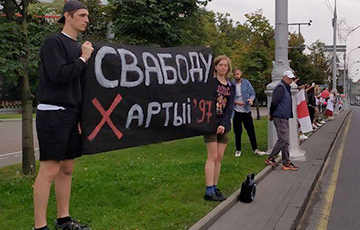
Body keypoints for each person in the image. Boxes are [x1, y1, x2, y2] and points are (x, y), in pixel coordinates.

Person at [33, 1, 94, 230]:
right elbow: (59, 75)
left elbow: (80, 86)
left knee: (67, 167)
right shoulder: (53, 42)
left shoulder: (79, 47)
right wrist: (83, 58)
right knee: (49, 169)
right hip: (53, 113)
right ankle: (40, 226)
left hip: (71, 114)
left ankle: (63, 219)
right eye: (82, 15)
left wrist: (79, 118)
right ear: (67, 16)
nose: (86, 19)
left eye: (87, 15)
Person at [203, 55, 235, 202]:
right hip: (210, 123)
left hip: (224, 124)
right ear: (215, 67)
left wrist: (223, 124)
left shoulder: (230, 85)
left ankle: (215, 186)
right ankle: (209, 190)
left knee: (220, 157)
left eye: (226, 65)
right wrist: (215, 123)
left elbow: (229, 107)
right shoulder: (211, 84)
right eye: (221, 65)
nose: (223, 67)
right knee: (212, 156)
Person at [265, 70, 299, 171]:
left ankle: (286, 162)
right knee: (283, 139)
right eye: (289, 78)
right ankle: (271, 157)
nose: (291, 80)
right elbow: (274, 102)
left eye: (292, 79)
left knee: (286, 140)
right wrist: (271, 114)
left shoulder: (285, 87)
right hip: (279, 115)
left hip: (284, 116)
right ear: (284, 77)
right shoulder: (280, 87)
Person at [231, 68, 266, 157]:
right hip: (236, 111)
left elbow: (252, 93)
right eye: (235, 74)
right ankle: (238, 149)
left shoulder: (246, 83)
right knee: (237, 131)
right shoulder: (232, 84)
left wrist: (251, 99)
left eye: (237, 74)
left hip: (246, 110)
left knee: (251, 130)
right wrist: (236, 102)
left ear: (241, 73)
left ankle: (255, 149)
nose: (236, 76)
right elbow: (229, 97)